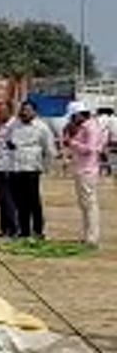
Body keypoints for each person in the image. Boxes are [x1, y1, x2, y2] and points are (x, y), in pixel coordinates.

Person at [1, 100, 57, 239]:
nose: (24, 113)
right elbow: (6, 140)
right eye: (23, 110)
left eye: (27, 110)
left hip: (32, 167)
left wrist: (46, 167)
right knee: (19, 201)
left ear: (34, 112)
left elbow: (49, 149)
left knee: (33, 200)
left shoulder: (42, 127)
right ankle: (24, 230)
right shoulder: (14, 125)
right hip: (16, 167)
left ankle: (37, 230)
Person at [63, 103, 106, 248]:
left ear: (79, 115)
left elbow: (90, 149)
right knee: (85, 204)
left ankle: (92, 237)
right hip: (82, 168)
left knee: (89, 204)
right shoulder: (88, 126)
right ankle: (88, 235)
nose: (72, 120)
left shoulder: (89, 128)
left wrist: (72, 143)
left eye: (73, 117)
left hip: (87, 170)